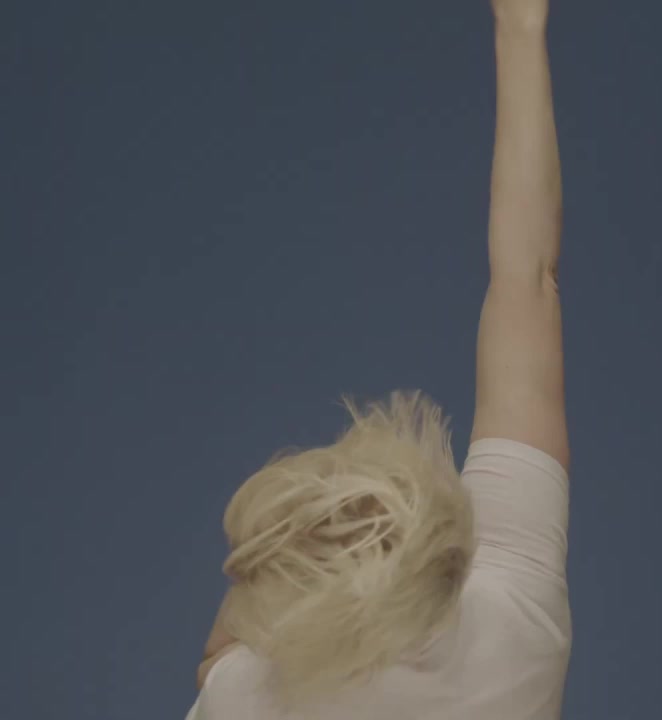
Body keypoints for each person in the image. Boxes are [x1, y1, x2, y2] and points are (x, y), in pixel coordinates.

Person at [186, 0, 569, 716]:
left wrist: (266, 570)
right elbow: (528, 282)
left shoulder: (251, 700)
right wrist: (520, 27)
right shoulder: (514, 614)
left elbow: (217, 661)